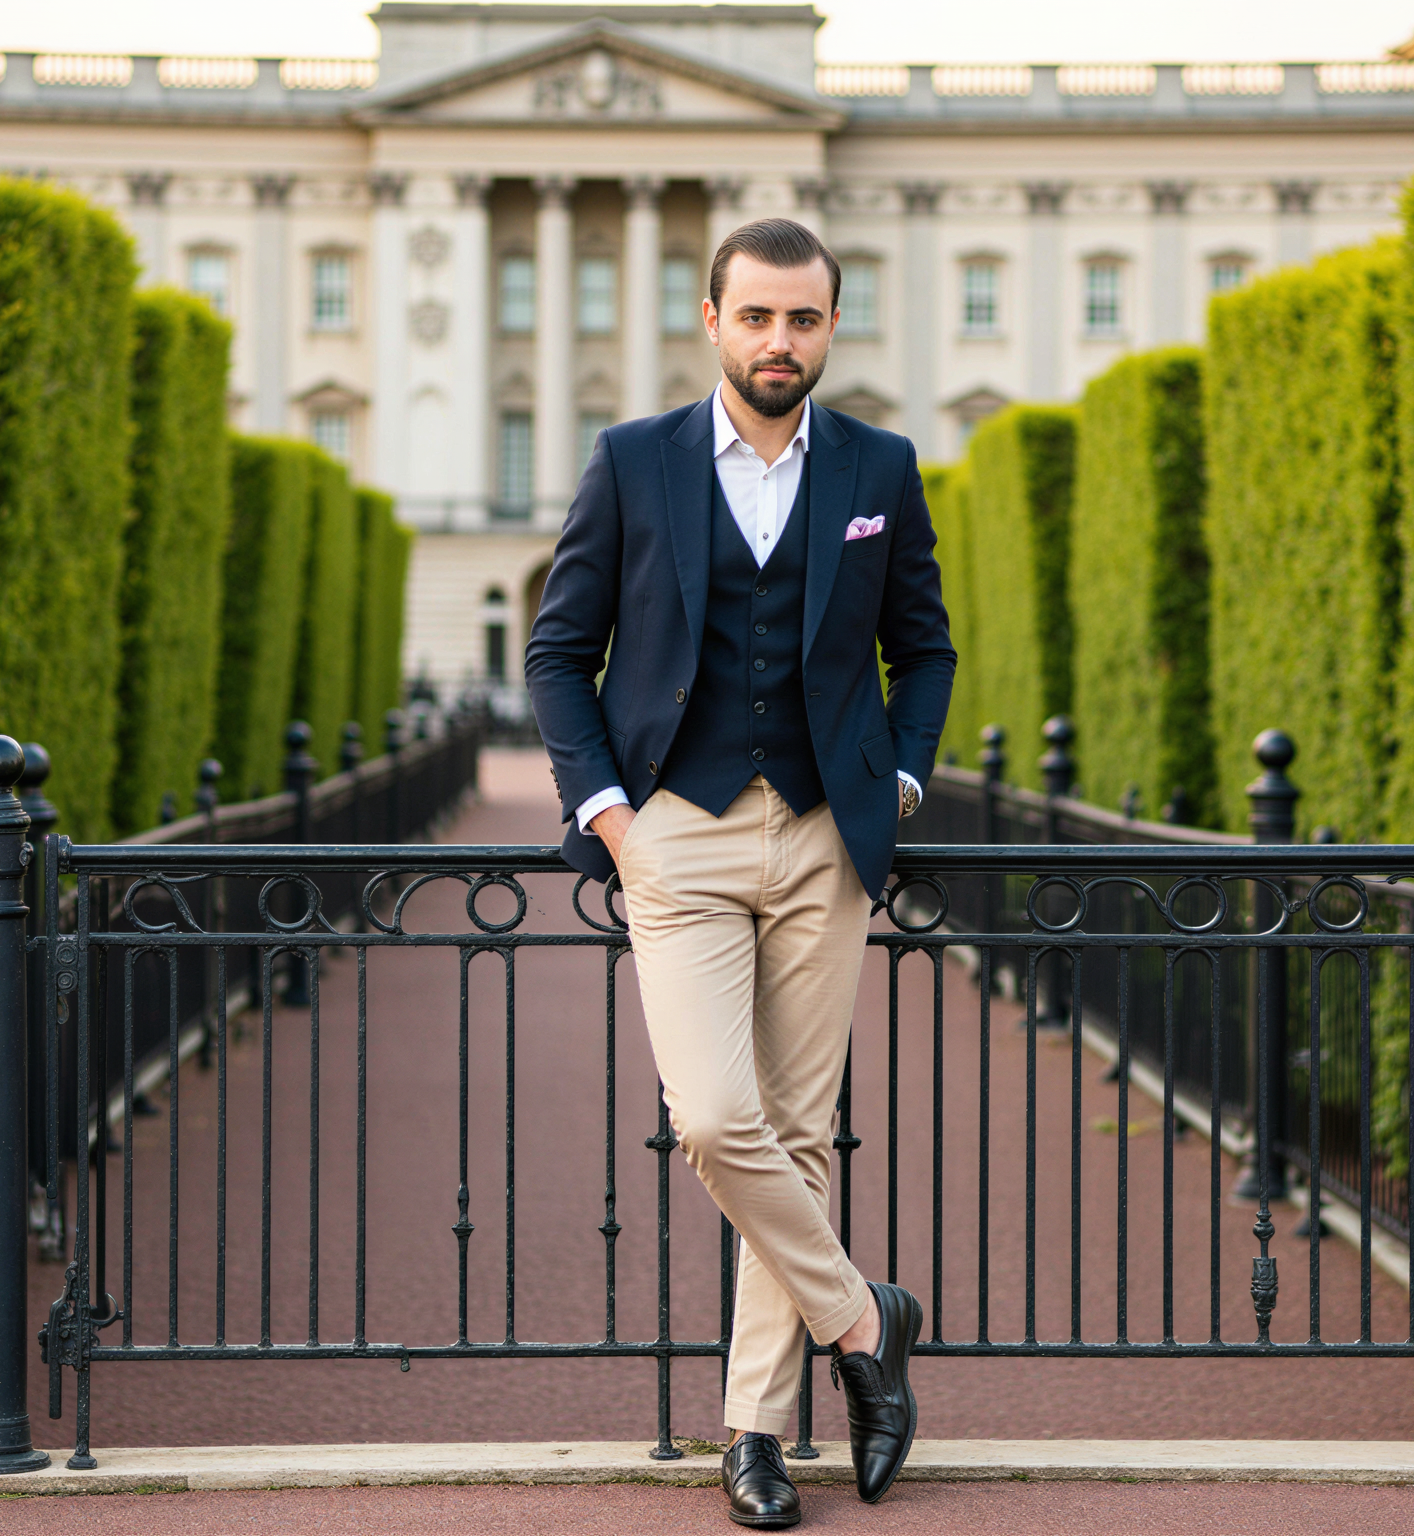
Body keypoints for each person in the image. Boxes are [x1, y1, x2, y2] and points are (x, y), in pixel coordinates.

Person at [525, 216, 956, 1527]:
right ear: (711, 321)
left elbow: (922, 648)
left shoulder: (881, 463)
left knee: (802, 1134)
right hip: (678, 831)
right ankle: (863, 1322)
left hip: (827, 832)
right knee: (716, 1117)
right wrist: (609, 811)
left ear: (832, 326)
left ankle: (755, 1439)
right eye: (758, 316)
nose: (782, 341)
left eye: (806, 319)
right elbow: (558, 649)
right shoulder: (632, 460)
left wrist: (900, 777)